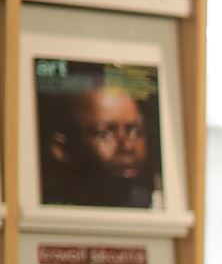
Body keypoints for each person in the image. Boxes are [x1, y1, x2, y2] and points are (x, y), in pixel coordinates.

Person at [41, 81, 158, 209]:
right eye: (104, 133)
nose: (128, 146)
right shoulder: (50, 208)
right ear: (61, 149)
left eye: (135, 131)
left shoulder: (150, 205)